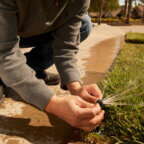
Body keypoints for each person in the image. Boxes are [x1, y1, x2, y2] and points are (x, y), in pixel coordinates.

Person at [0, 0, 104, 131]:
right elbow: (4, 52)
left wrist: (76, 87)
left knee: (84, 25)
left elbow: (65, 47)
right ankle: (9, 75)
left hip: (26, 27)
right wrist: (54, 104)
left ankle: (29, 69)